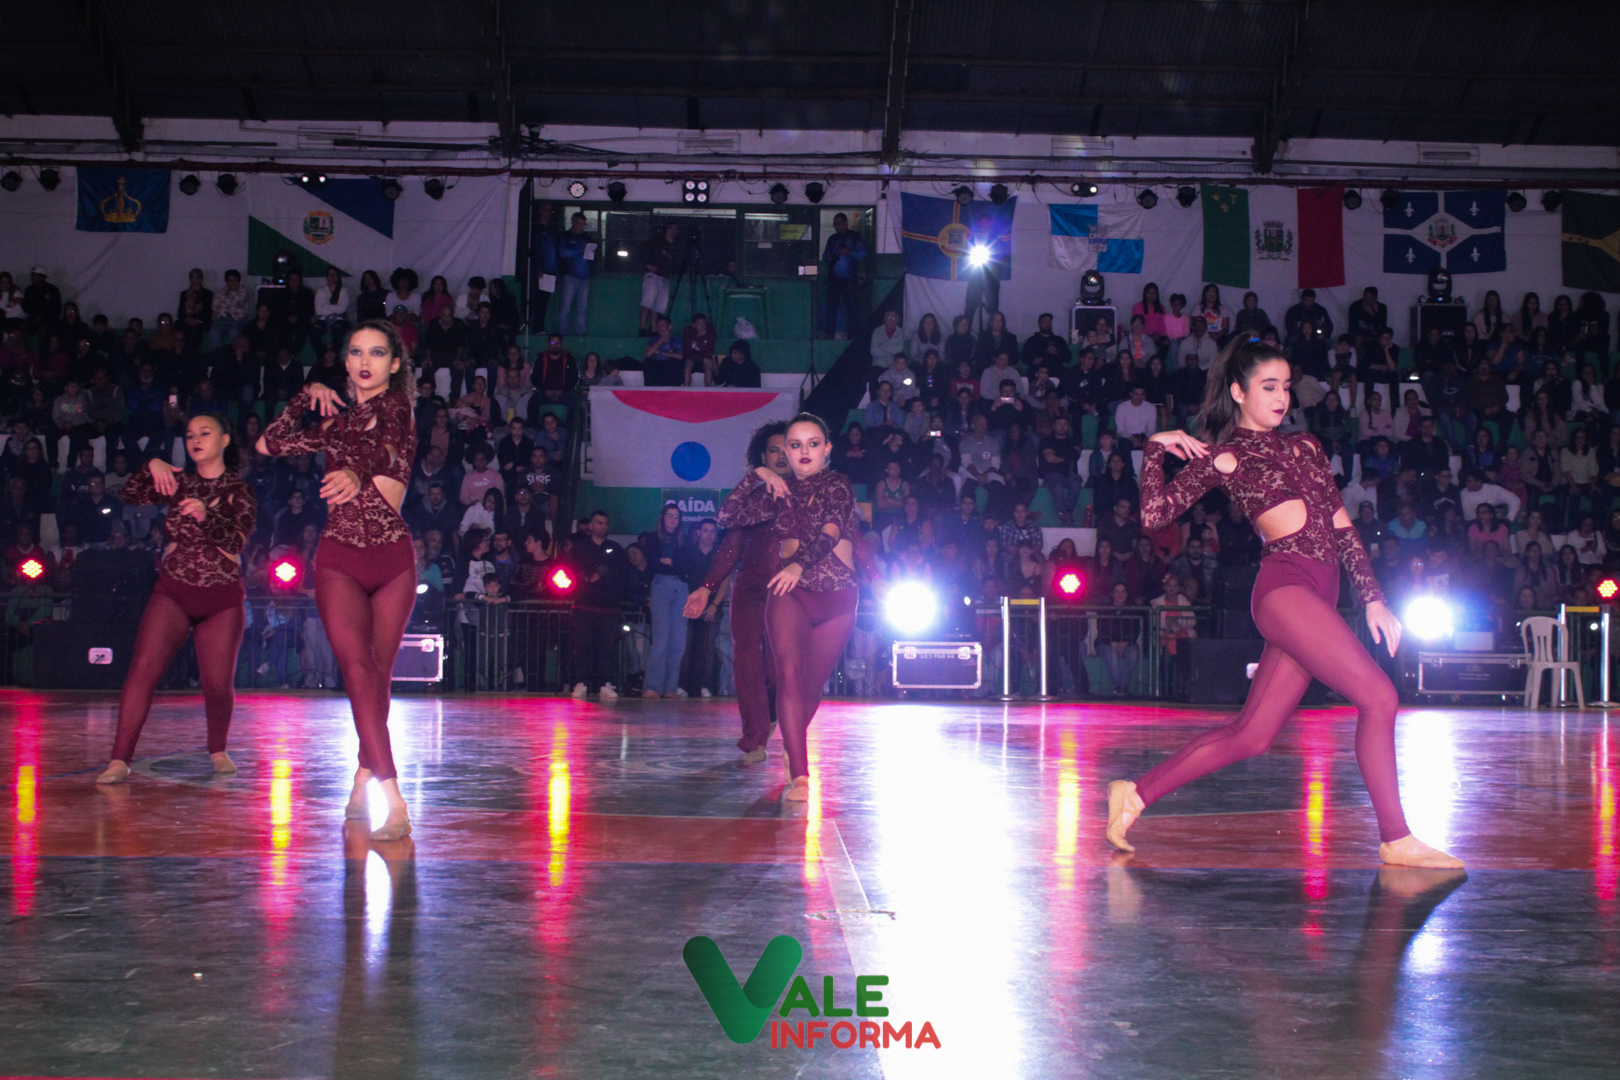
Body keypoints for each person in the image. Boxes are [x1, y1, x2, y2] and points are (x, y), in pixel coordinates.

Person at [1106, 339, 1462, 870]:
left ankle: (1134, 794)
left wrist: (1373, 598)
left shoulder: (1307, 447)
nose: (1281, 397)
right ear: (1238, 392)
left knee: (1252, 735)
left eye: (1287, 387)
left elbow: (1342, 528)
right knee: (1379, 697)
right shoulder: (1225, 456)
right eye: (1268, 386)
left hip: (1319, 595)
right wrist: (1155, 447)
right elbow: (1155, 515)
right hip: (1284, 591)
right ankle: (1396, 839)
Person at [258, 320, 417, 842]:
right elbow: (268, 443)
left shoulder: (399, 408)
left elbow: (386, 449)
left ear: (395, 364)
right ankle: (394, 801)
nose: (365, 361)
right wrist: (304, 395)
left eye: (378, 353)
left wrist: (355, 472)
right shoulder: (334, 425)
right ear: (346, 362)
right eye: (356, 352)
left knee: (379, 680)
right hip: (339, 560)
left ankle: (361, 777)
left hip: (393, 560)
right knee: (358, 674)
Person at [95, 414, 254, 786]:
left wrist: (205, 516)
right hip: (174, 591)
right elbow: (130, 495)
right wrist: (150, 464)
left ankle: (217, 748)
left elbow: (235, 541)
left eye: (205, 433)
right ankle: (119, 759)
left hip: (221, 598)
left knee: (217, 684)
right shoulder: (179, 482)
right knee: (143, 669)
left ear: (225, 440)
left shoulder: (239, 491)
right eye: (189, 435)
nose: (195, 439)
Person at [718, 414, 870, 801]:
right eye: (796, 444)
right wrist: (756, 476)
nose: (804, 451)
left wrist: (800, 562)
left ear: (827, 448)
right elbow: (727, 516)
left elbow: (830, 530)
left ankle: (792, 741)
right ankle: (800, 775)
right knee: (788, 674)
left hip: (837, 597)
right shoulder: (778, 491)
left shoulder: (838, 484)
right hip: (790, 591)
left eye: (813, 443)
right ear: (785, 450)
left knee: (810, 686)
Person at [686, 423, 789, 761]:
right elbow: (729, 540)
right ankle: (754, 737)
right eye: (773, 450)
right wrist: (707, 587)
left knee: (775, 668)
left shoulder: (805, 495)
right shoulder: (753, 498)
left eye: (786, 449)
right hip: (749, 586)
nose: (781, 456)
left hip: (787, 588)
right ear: (763, 456)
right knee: (746, 660)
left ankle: (770, 716)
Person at [643, 502, 689, 698]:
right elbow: (653, 563)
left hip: (681, 586)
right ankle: (651, 687)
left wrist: (672, 563)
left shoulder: (684, 540)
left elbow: (687, 565)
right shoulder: (653, 538)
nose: (672, 519)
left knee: (678, 641)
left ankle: (670, 688)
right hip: (660, 584)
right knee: (661, 640)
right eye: (669, 515)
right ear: (662, 518)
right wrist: (673, 564)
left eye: (676, 516)